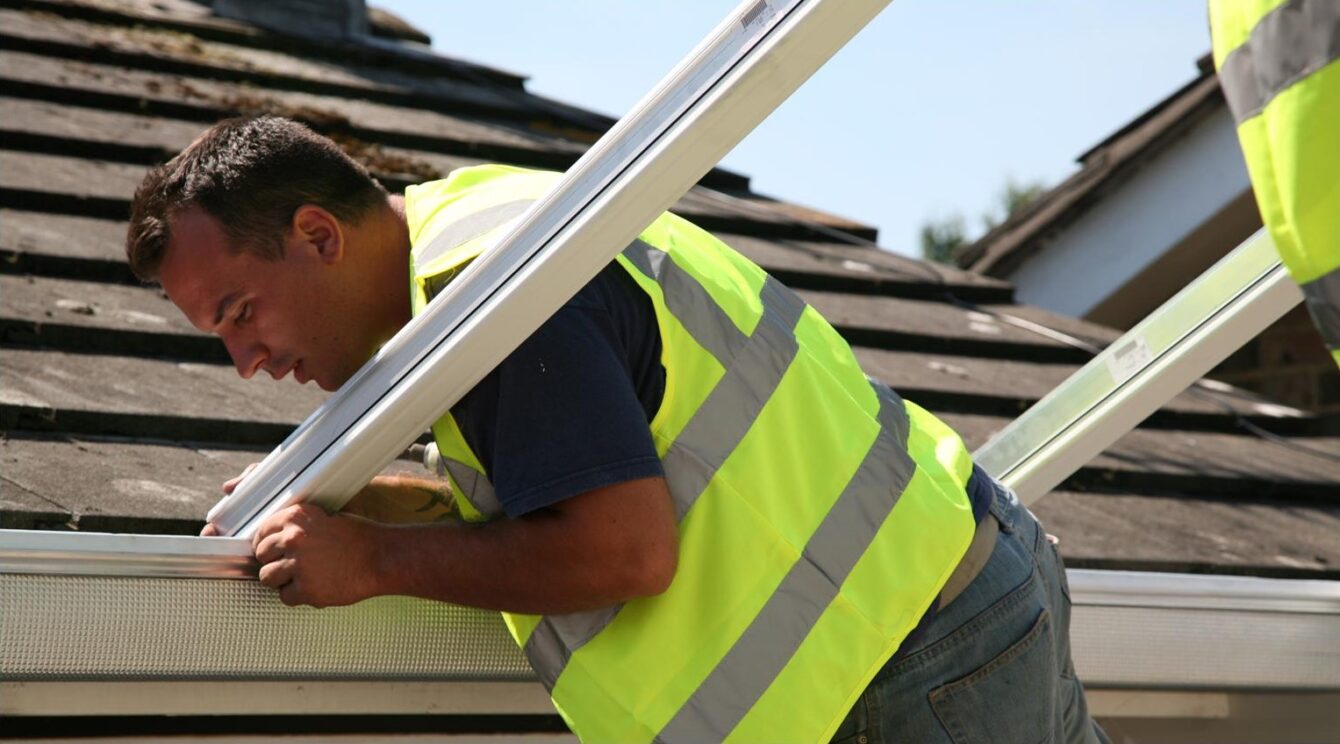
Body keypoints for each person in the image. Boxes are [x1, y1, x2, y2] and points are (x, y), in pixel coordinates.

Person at [126, 115, 1108, 744]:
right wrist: (420, 505)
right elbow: (642, 460)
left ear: (316, 236)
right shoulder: (483, 223)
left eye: (238, 312)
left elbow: (621, 551)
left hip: (901, 671)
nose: (245, 362)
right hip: (953, 596)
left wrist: (376, 560)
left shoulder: (491, 302)